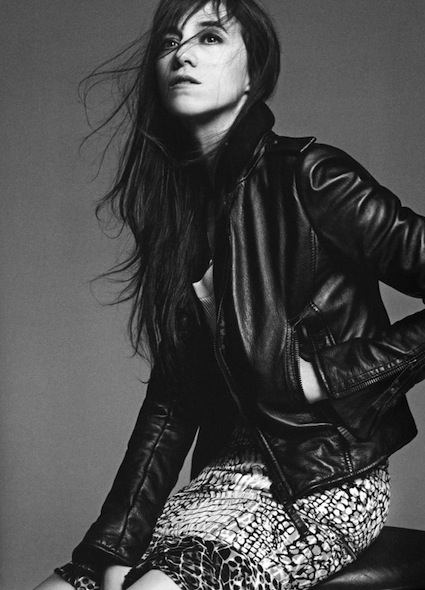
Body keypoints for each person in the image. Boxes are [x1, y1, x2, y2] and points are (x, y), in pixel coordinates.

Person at [33, 0, 425, 588]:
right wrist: (115, 544)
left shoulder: (311, 176)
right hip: (215, 484)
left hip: (322, 481)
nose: (182, 54)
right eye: (169, 42)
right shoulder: (178, 216)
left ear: (252, 75)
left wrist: (328, 376)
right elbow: (172, 401)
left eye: (210, 38)